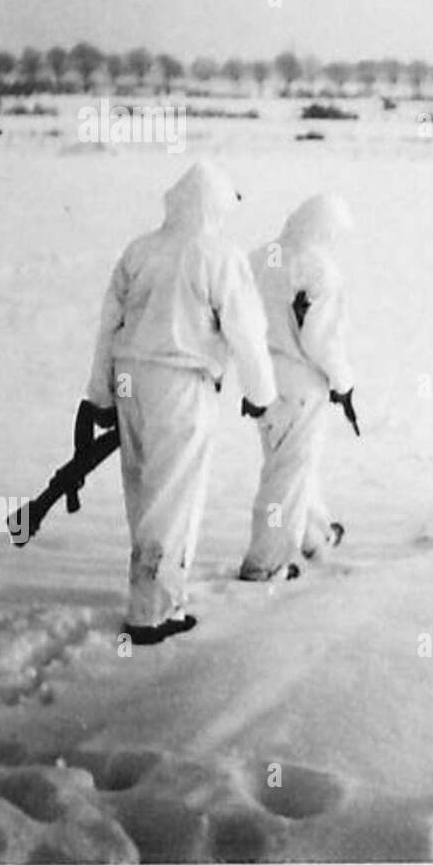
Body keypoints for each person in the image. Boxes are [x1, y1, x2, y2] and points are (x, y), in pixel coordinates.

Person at [84, 161, 277, 645]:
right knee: (173, 497)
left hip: (130, 378)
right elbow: (247, 333)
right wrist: (261, 396)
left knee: (144, 489)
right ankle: (151, 614)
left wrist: (100, 394)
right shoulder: (219, 255)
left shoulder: (140, 250)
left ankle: (157, 592)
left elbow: (108, 325)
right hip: (181, 383)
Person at [239, 194, 358, 582]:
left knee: (288, 465)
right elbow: (321, 341)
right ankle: (266, 562)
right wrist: (344, 382)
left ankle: (315, 534)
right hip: (302, 386)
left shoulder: (257, 260)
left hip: (261, 384)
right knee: (287, 475)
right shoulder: (319, 270)